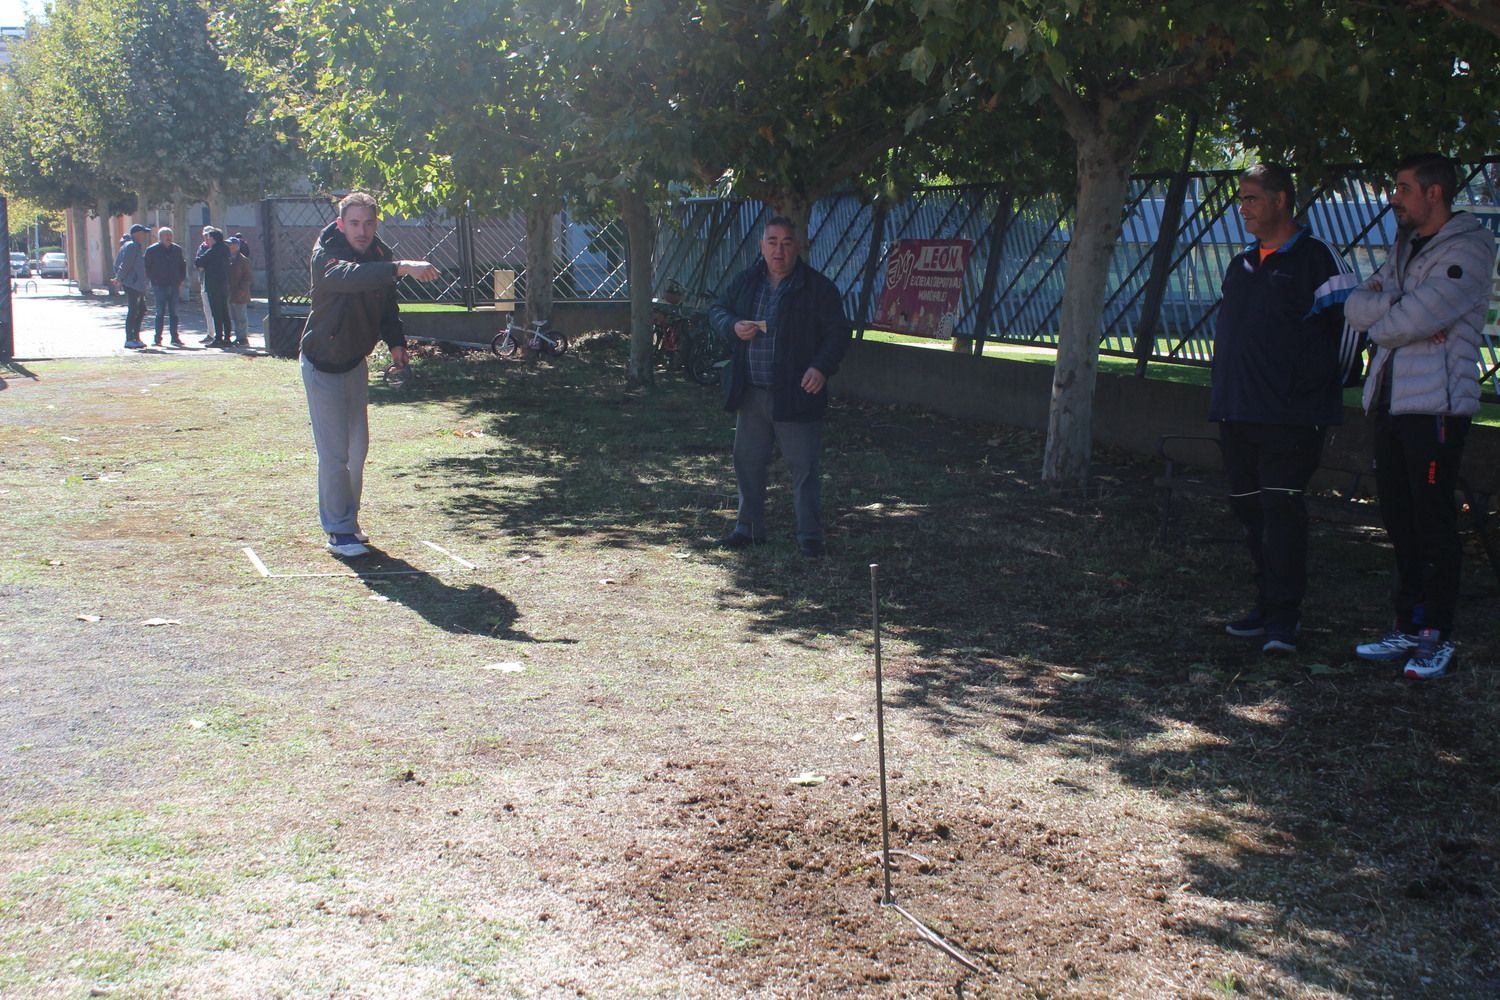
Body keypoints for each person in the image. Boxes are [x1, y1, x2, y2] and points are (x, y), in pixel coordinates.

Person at [1344, 153, 1495, 680]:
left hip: (1434, 409)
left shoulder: (1470, 248)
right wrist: (1401, 309)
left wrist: (1396, 311)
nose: (1394, 197)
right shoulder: (1405, 245)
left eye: (1403, 187)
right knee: (1399, 521)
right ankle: (1406, 624)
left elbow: (1404, 317)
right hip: (1388, 401)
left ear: (1434, 193)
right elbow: (1358, 308)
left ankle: (1436, 635)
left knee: (1433, 524)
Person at [1210, 163, 1363, 654]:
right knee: (1249, 508)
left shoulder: (1317, 259)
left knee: (1281, 511)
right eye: (1241, 199)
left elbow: (1352, 328)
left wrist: (1314, 389)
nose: (1243, 209)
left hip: (1292, 417)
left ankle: (1284, 618)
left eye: (1252, 199)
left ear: (1280, 201)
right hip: (1238, 411)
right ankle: (1264, 604)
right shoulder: (1242, 264)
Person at [301, 191, 439, 557]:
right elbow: (348, 278)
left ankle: (349, 520)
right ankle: (338, 532)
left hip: (355, 362)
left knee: (357, 449)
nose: (362, 231)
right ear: (340, 224)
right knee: (334, 454)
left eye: (368, 223)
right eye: (354, 223)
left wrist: (396, 344)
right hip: (321, 364)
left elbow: (386, 305)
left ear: (376, 224)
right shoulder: (325, 254)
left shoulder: (379, 254)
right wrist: (402, 267)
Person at [708, 215, 851, 557]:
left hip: (797, 393)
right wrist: (732, 325)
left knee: (803, 468)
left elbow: (837, 334)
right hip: (752, 392)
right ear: (762, 246)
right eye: (772, 242)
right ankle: (749, 529)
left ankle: (810, 537)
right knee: (747, 462)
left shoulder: (817, 288)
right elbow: (716, 310)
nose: (779, 250)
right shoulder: (747, 282)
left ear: (797, 247)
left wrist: (821, 367)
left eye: (787, 243)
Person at [143, 226, 186, 347]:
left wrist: (181, 280)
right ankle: (157, 338)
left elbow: (183, 265)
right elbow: (146, 266)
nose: (168, 238)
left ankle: (175, 337)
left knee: (174, 313)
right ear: (160, 237)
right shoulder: (152, 250)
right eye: (166, 235)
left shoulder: (177, 250)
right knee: (160, 312)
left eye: (170, 235)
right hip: (159, 285)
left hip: (174, 285)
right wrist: (153, 280)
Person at [113, 223, 151, 349]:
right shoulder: (132, 246)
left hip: (137, 284)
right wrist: (119, 278)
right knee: (134, 311)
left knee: (141, 310)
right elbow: (126, 264)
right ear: (136, 234)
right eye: (142, 233)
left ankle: (136, 337)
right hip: (133, 284)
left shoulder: (131, 246)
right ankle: (130, 339)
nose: (143, 236)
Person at [195, 227, 232, 346]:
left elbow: (199, 262)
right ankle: (227, 337)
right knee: (225, 311)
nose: (207, 241)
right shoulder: (225, 249)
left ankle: (218, 338)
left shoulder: (213, 250)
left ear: (214, 239)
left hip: (213, 284)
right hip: (224, 283)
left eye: (209, 238)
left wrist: (203, 264)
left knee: (216, 312)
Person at [226, 236, 252, 347]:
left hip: (241, 293)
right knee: (235, 316)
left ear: (236, 246)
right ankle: (238, 336)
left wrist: (242, 290)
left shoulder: (243, 260)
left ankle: (244, 338)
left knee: (241, 317)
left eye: (230, 244)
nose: (228, 246)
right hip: (231, 292)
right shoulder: (228, 258)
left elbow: (248, 277)